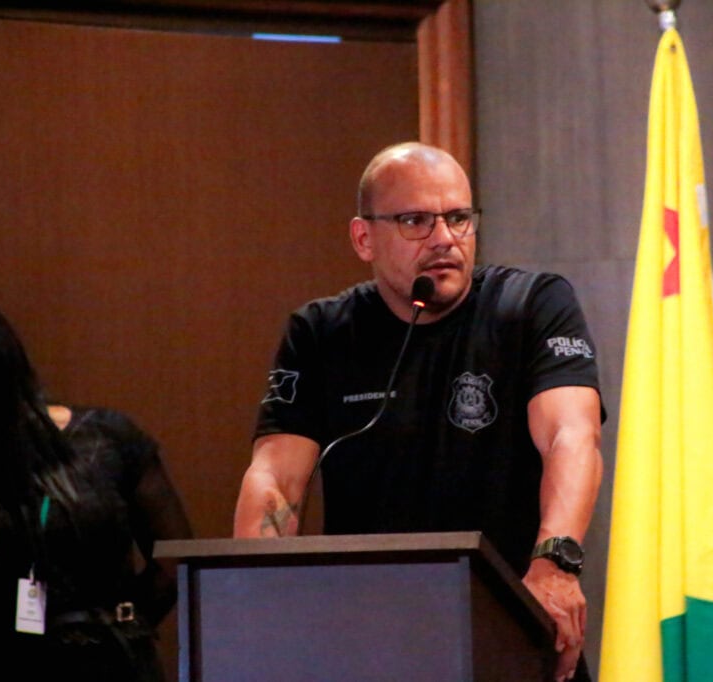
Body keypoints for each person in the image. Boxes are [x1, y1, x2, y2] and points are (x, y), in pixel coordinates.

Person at [233, 141, 604, 681]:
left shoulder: (530, 307)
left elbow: (571, 436)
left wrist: (555, 564)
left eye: (458, 218)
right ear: (364, 238)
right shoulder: (321, 334)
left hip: (508, 624)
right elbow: (275, 478)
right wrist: (252, 598)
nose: (444, 240)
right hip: (368, 636)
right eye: (415, 221)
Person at [0, 292, 193, 681]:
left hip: (112, 659)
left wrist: (120, 628)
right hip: (6, 660)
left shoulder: (106, 437)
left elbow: (174, 559)